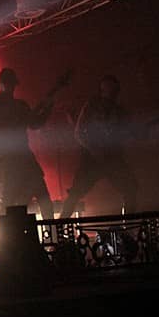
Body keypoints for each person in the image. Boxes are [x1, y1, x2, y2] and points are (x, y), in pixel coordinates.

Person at [0, 68, 54, 220]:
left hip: (20, 158)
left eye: (11, 84)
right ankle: (7, 233)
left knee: (36, 199)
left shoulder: (10, 105)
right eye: (8, 84)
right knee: (11, 202)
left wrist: (48, 108)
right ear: (1, 84)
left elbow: (34, 123)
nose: (10, 87)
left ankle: (48, 231)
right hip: (11, 160)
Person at [60, 75, 138, 217]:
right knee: (75, 193)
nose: (111, 92)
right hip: (93, 159)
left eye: (113, 89)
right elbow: (79, 132)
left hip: (111, 158)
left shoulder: (119, 111)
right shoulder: (91, 106)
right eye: (108, 89)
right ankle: (60, 225)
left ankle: (128, 226)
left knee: (130, 189)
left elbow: (129, 132)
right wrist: (93, 150)